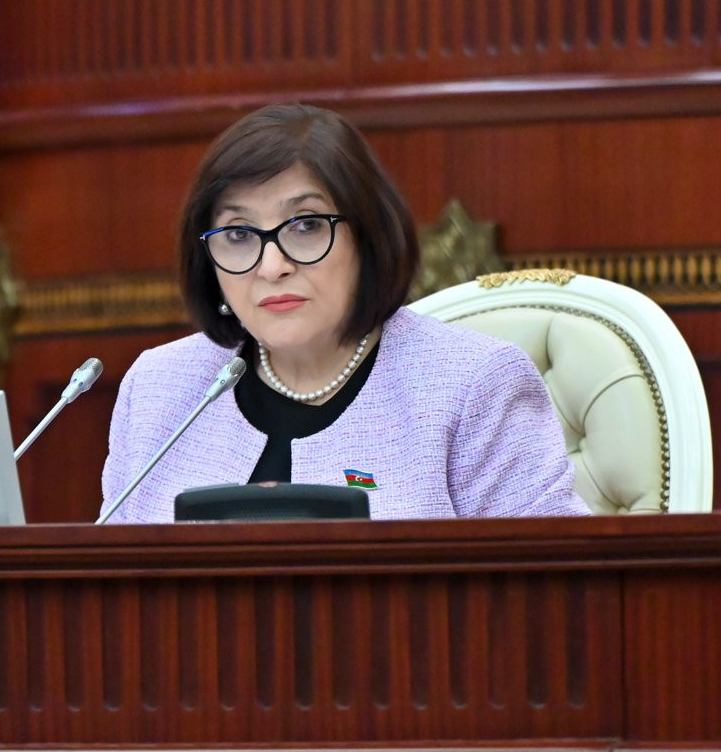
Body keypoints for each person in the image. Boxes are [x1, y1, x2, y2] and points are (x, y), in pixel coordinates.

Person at [100, 103, 591, 522]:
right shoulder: (160, 387)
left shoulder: (472, 386)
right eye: (239, 234)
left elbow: (548, 589)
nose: (272, 266)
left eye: (307, 225)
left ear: (368, 238)